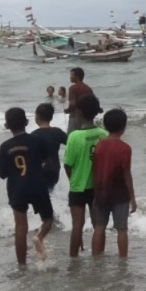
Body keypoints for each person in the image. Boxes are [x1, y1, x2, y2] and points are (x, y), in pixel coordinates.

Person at [0, 107, 55, 265]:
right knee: (48, 219)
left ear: (7, 125)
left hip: (17, 188)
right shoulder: (38, 141)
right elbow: (46, 159)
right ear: (27, 122)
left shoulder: (5, 146)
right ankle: (39, 237)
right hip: (38, 184)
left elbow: (1, 173)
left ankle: (22, 265)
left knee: (21, 227)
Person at [63, 95, 107, 257]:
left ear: (79, 112)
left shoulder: (74, 136)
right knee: (99, 224)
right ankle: (99, 256)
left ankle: (73, 259)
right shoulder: (103, 134)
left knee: (77, 225)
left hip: (78, 186)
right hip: (98, 186)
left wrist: (73, 180)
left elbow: (68, 164)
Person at [90, 109, 136, 258]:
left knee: (99, 227)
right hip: (119, 194)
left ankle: (96, 258)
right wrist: (132, 198)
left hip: (101, 191)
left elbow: (95, 169)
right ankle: (123, 261)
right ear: (124, 127)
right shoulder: (125, 148)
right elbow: (126, 174)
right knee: (122, 229)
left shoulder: (99, 145)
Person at [31, 102, 68, 194]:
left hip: (39, 170)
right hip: (54, 169)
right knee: (51, 191)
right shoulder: (57, 132)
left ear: (37, 117)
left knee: (42, 194)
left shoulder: (33, 135)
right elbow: (71, 144)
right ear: (51, 117)